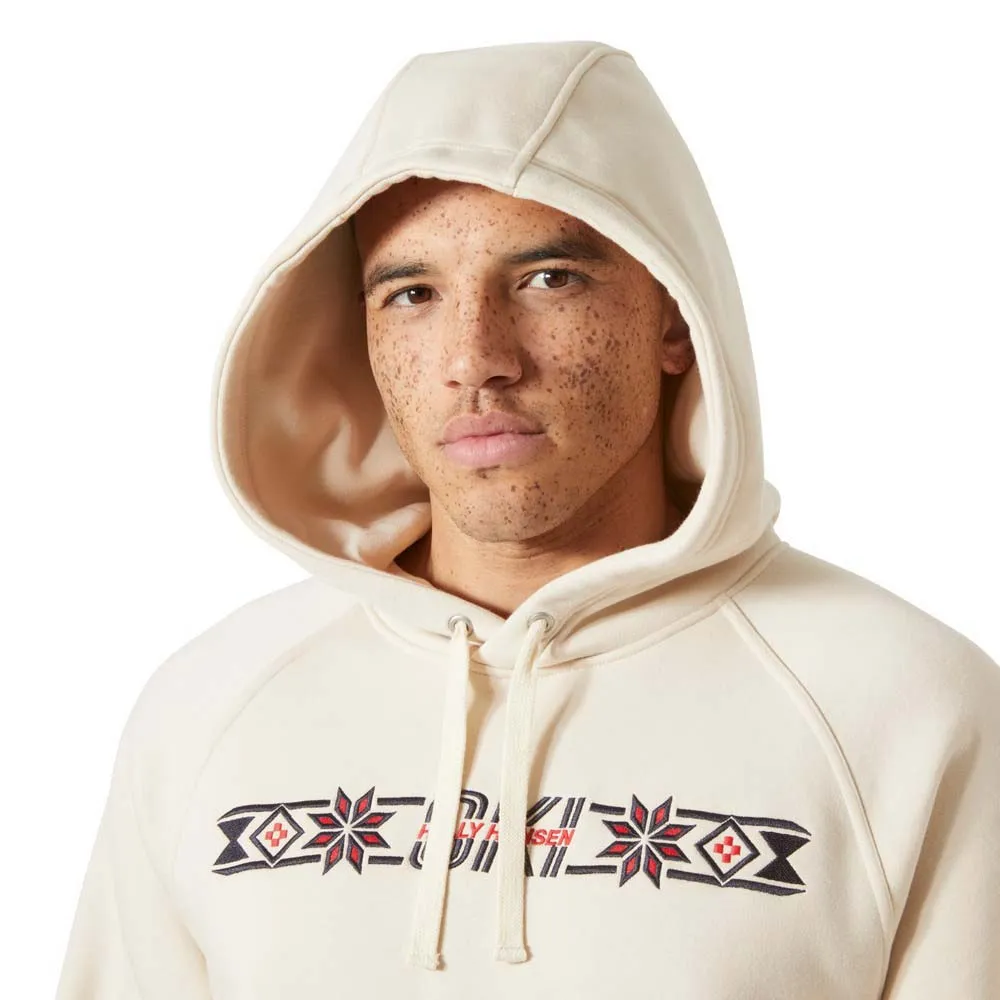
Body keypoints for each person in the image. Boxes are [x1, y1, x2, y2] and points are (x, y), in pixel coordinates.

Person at [54, 39, 1000, 999]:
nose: (475, 358)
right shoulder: (209, 710)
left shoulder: (904, 711)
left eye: (549, 278)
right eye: (413, 294)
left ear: (675, 318)